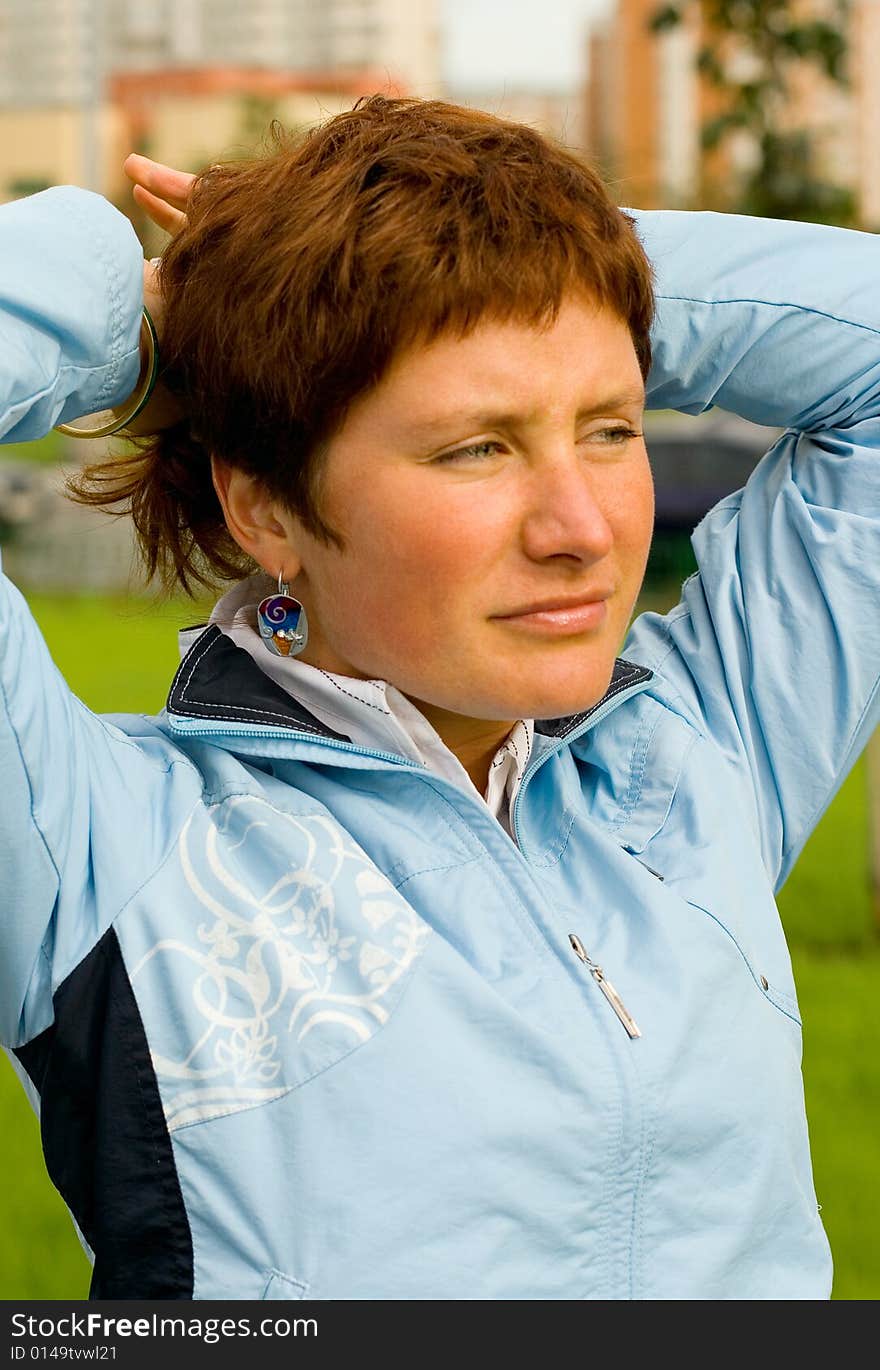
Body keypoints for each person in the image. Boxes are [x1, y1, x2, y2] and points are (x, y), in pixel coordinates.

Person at [1, 95, 877, 1302]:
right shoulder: (98, 847)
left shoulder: (698, 754)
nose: (583, 532)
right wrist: (168, 322)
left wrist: (525, 258)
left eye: (611, 427)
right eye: (478, 446)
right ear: (266, 506)